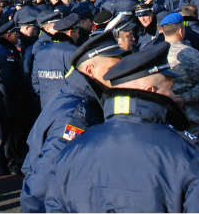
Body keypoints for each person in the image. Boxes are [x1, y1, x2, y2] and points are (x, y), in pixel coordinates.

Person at [44, 44, 199, 212]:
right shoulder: (187, 153)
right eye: (171, 90)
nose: (176, 96)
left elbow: (54, 205)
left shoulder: (73, 150)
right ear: (151, 91)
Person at [19, 30, 125, 212]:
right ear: (90, 70)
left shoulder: (78, 97)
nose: (117, 75)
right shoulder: (76, 116)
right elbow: (42, 183)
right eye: (111, 69)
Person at [159, 13, 199, 138]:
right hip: (190, 119)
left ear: (163, 32)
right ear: (181, 31)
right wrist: (185, 98)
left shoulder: (154, 55)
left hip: (163, 119)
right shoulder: (192, 54)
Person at [0, 22, 31, 175]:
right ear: (8, 35)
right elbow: (8, 79)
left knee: (12, 132)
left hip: (8, 98)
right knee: (9, 134)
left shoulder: (5, 49)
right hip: (7, 99)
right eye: (14, 34)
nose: (17, 36)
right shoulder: (5, 53)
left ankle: (11, 161)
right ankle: (9, 163)